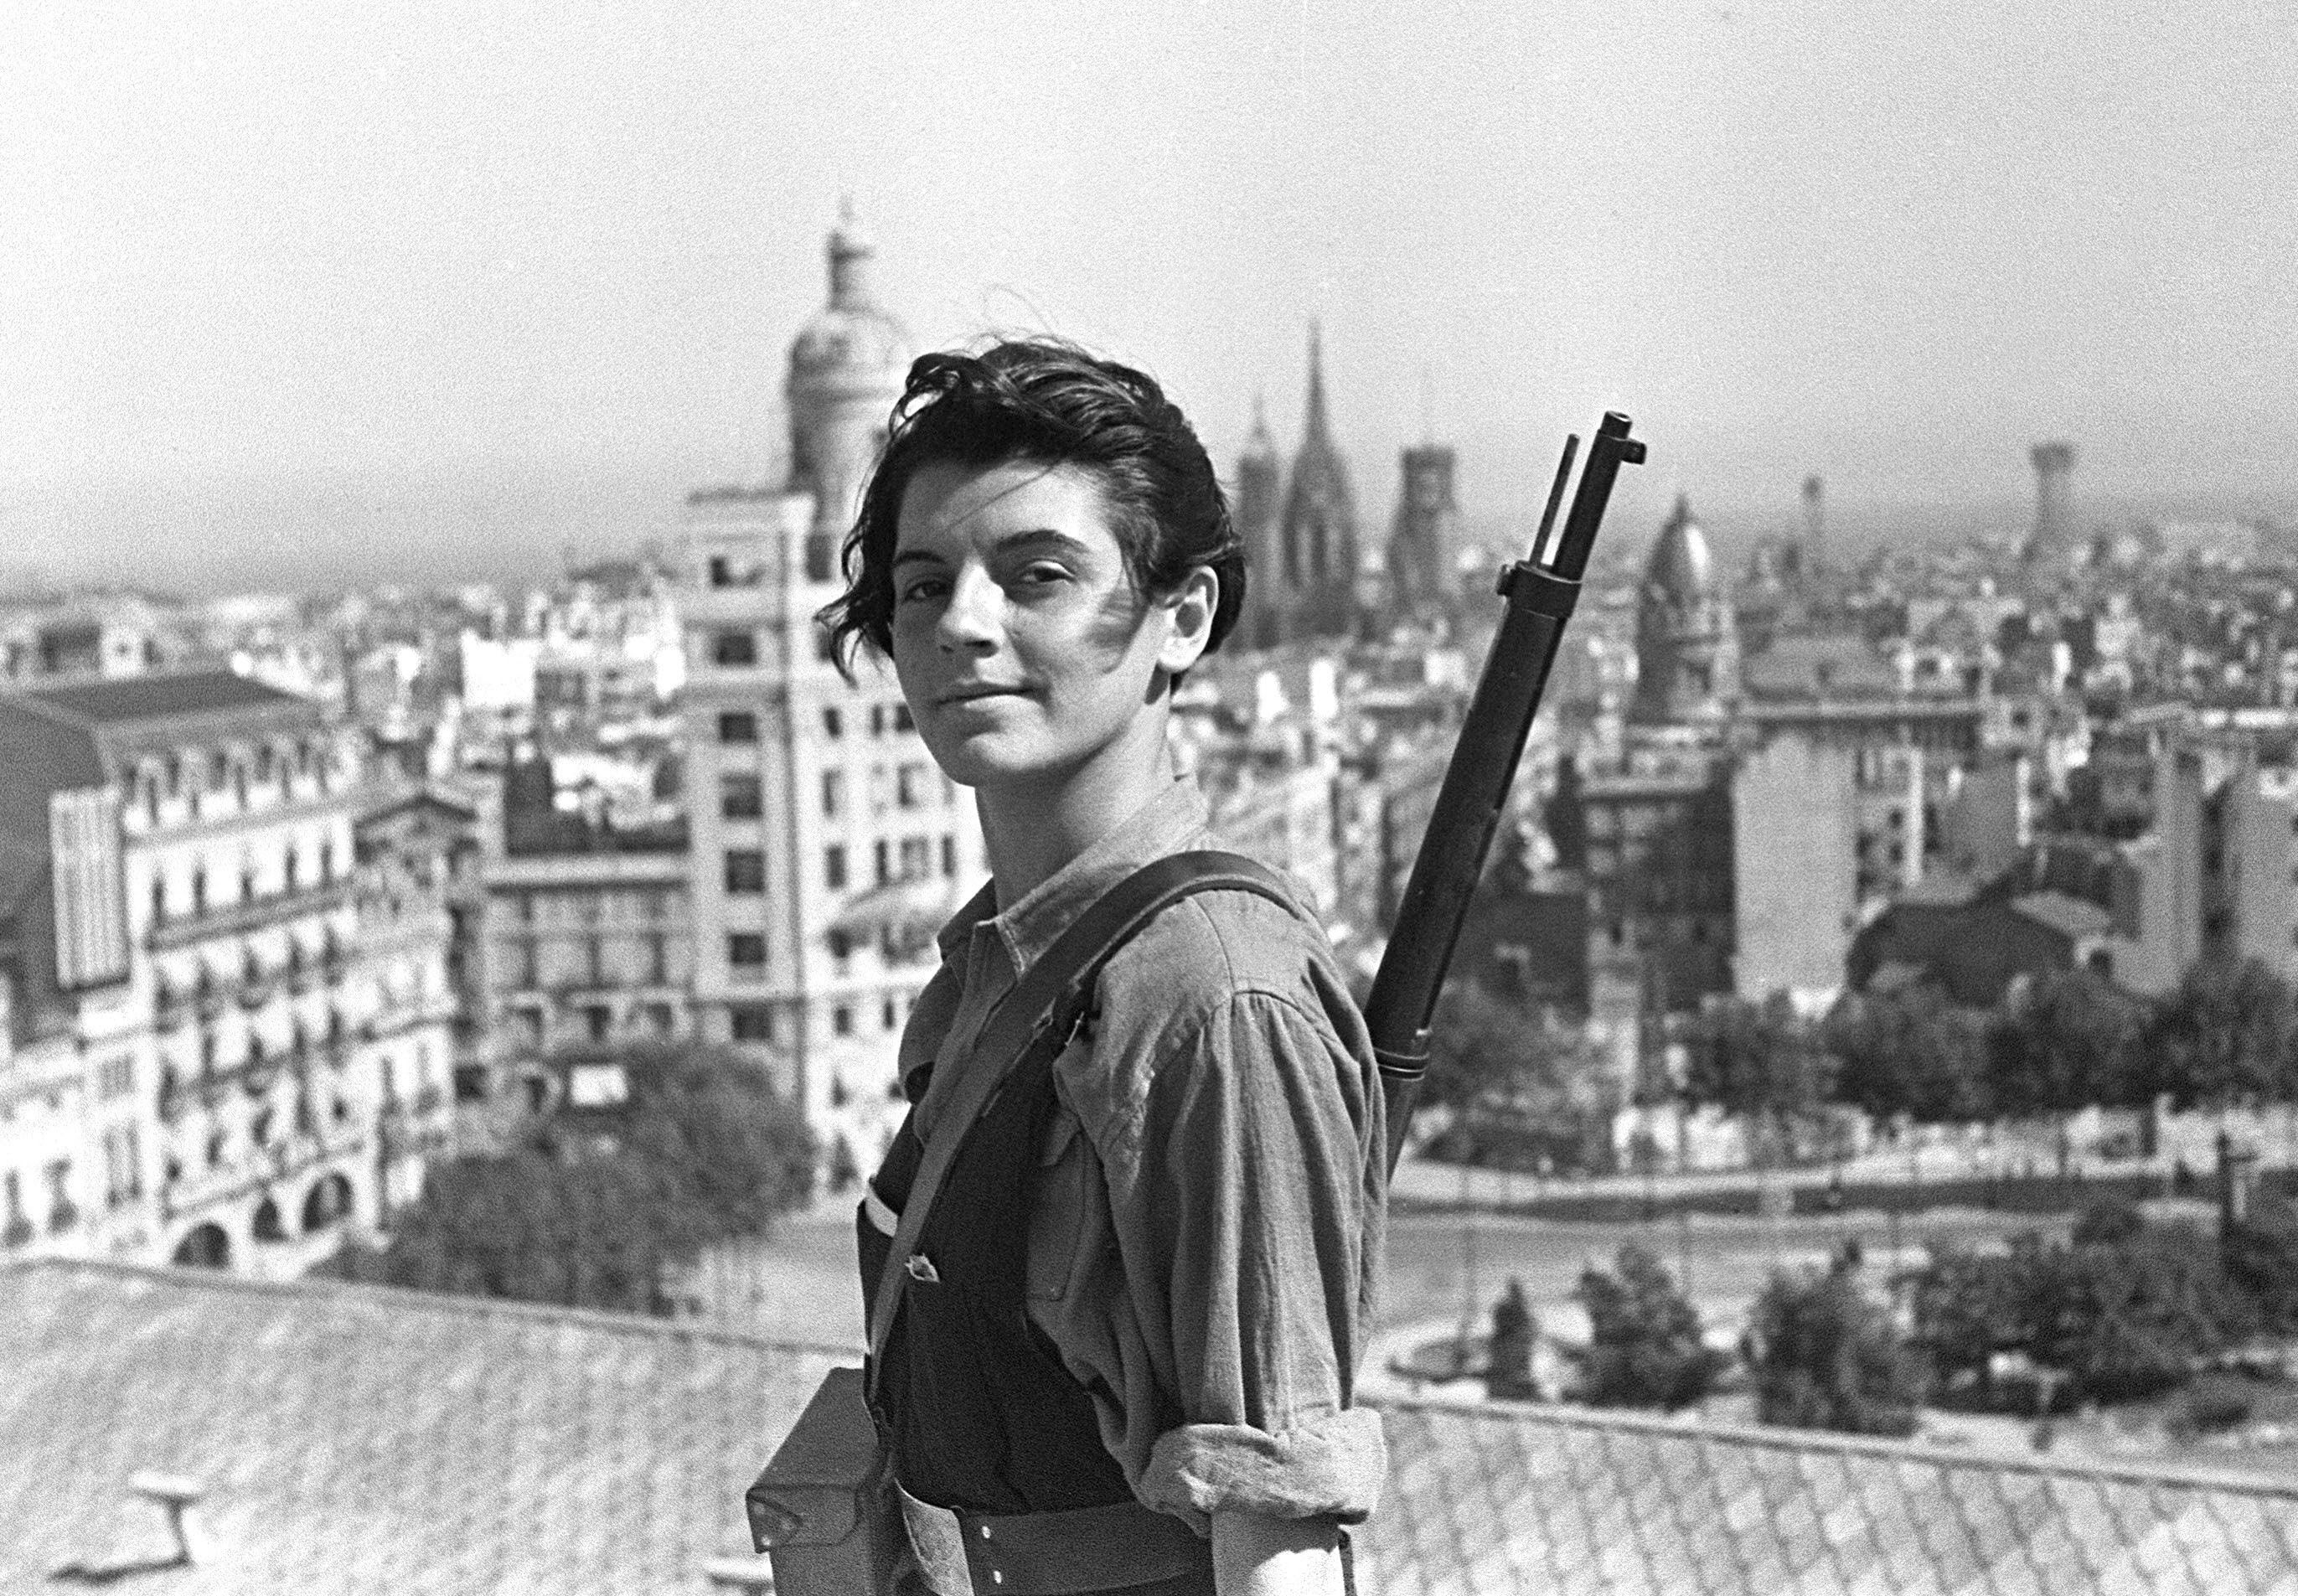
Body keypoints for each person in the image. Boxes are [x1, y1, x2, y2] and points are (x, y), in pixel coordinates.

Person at [819, 339, 1387, 1596]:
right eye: (923, 587)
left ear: (1180, 618)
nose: (964, 624)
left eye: (1038, 576)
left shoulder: (1208, 996)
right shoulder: (1002, 959)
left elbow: (1278, 1524)